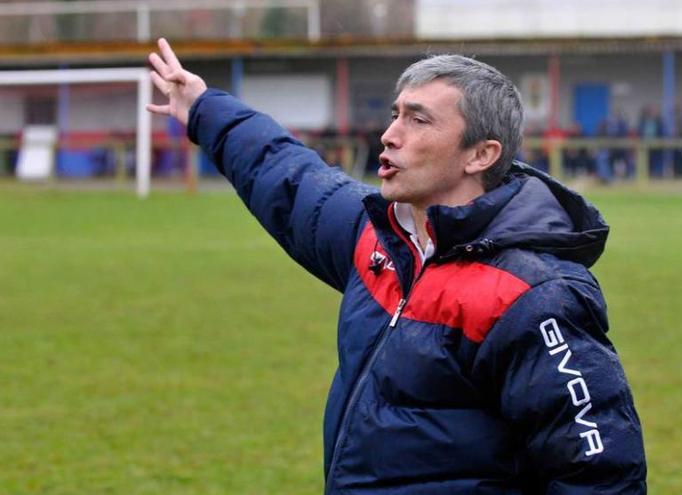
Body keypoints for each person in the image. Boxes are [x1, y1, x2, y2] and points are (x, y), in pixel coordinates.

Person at [147, 38, 647, 494]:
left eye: (418, 119)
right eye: (395, 114)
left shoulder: (532, 295)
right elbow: (289, 177)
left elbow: (598, 474)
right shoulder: (380, 238)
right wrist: (203, 108)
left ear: (481, 154)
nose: (388, 134)